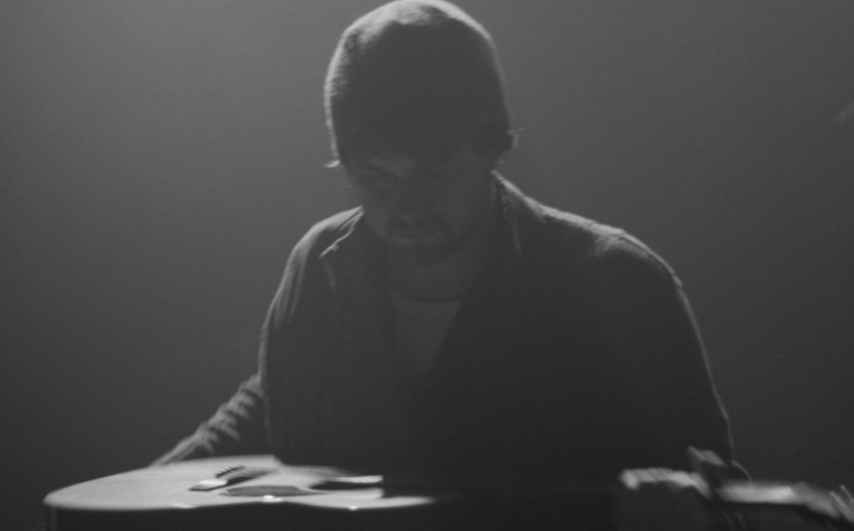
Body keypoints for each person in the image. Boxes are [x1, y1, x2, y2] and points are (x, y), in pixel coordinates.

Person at [154, 0, 739, 527]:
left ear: (493, 147)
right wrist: (130, 495)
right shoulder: (320, 268)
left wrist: (684, 511)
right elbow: (270, 401)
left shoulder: (617, 284)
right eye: (377, 179)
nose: (407, 209)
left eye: (433, 173)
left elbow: (721, 498)